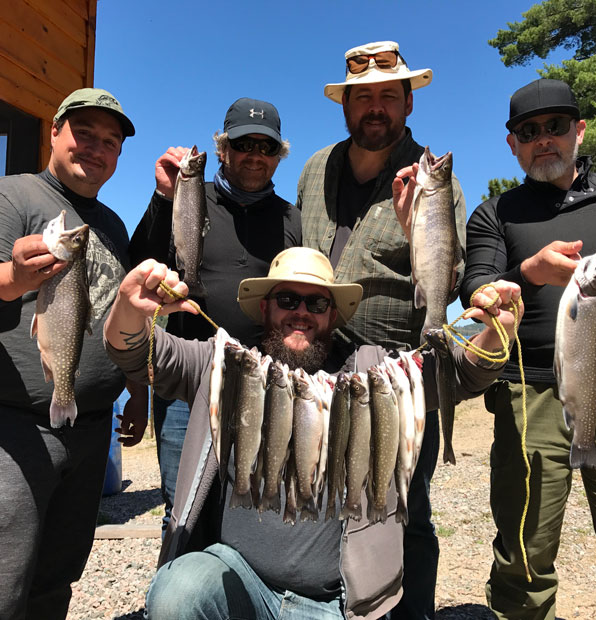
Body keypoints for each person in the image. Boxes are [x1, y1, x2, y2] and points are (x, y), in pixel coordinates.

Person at [103, 246, 522, 620]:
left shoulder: (375, 374)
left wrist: (497, 326)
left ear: (333, 314)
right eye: (287, 299)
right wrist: (128, 305)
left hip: (334, 605)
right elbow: (136, 353)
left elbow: (463, 375)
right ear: (265, 308)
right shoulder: (223, 365)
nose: (301, 311)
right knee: (178, 591)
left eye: (316, 301)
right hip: (239, 587)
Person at [296, 40, 466, 619]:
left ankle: (410, 611)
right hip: (318, 364)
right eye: (362, 97)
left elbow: (455, 274)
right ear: (344, 105)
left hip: (401, 368)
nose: (375, 107)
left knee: (405, 508)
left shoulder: (434, 178)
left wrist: (414, 227)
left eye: (387, 97)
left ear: (407, 105)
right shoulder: (315, 167)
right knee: (323, 494)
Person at [460, 78, 596, 619]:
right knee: (524, 560)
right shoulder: (494, 213)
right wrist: (526, 272)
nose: (543, 139)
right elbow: (473, 289)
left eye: (555, 126)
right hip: (529, 399)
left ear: (579, 129)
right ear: (512, 144)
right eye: (529, 131)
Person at [0, 88, 147, 620]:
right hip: (17, 426)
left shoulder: (110, 224)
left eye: (110, 142)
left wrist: (136, 388)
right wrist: (16, 276)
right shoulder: (13, 196)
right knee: (4, 578)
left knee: (59, 573)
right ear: (56, 130)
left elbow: (118, 313)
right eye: (85, 133)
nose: (96, 148)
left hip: (91, 428)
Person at [129, 97, 301, 530]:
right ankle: (178, 591)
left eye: (267, 147)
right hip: (189, 384)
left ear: (279, 156)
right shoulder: (188, 194)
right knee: (183, 510)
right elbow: (138, 262)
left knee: (252, 508)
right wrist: (161, 197)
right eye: (245, 145)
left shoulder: (291, 220)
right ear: (223, 149)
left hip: (263, 385)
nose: (255, 156)